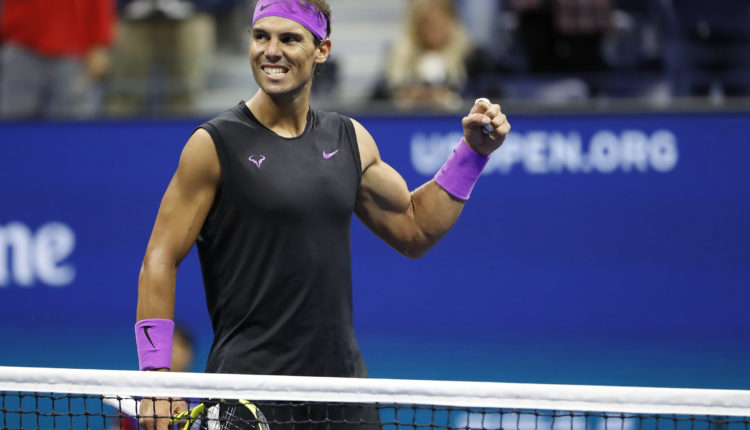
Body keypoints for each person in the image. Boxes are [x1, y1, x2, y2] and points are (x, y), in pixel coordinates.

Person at [134, 1, 510, 429]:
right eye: (261, 37)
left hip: (342, 392)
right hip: (249, 392)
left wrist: (472, 155)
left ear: (322, 50)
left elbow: (415, 228)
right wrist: (156, 379)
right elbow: (159, 258)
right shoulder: (213, 145)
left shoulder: (349, 139)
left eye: (289, 39)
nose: (271, 51)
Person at [0, 0, 115, 118]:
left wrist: (100, 43)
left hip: (75, 51)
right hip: (21, 44)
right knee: (12, 118)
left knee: (74, 120)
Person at [373, 0, 489, 110]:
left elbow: (486, 97)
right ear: (415, 25)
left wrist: (451, 99)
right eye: (426, 22)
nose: (433, 28)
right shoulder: (399, 56)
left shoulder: (471, 56)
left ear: (451, 21)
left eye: (439, 22)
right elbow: (377, 100)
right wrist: (404, 97)